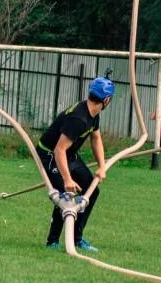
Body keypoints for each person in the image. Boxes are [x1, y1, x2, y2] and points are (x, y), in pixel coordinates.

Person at [37, 74, 114, 253]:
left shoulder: (93, 113)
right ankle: (52, 242)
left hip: (69, 154)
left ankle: (77, 239)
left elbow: (96, 138)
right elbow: (59, 150)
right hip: (50, 153)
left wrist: (102, 166)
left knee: (91, 190)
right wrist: (67, 179)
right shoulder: (78, 118)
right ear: (107, 100)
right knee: (65, 195)